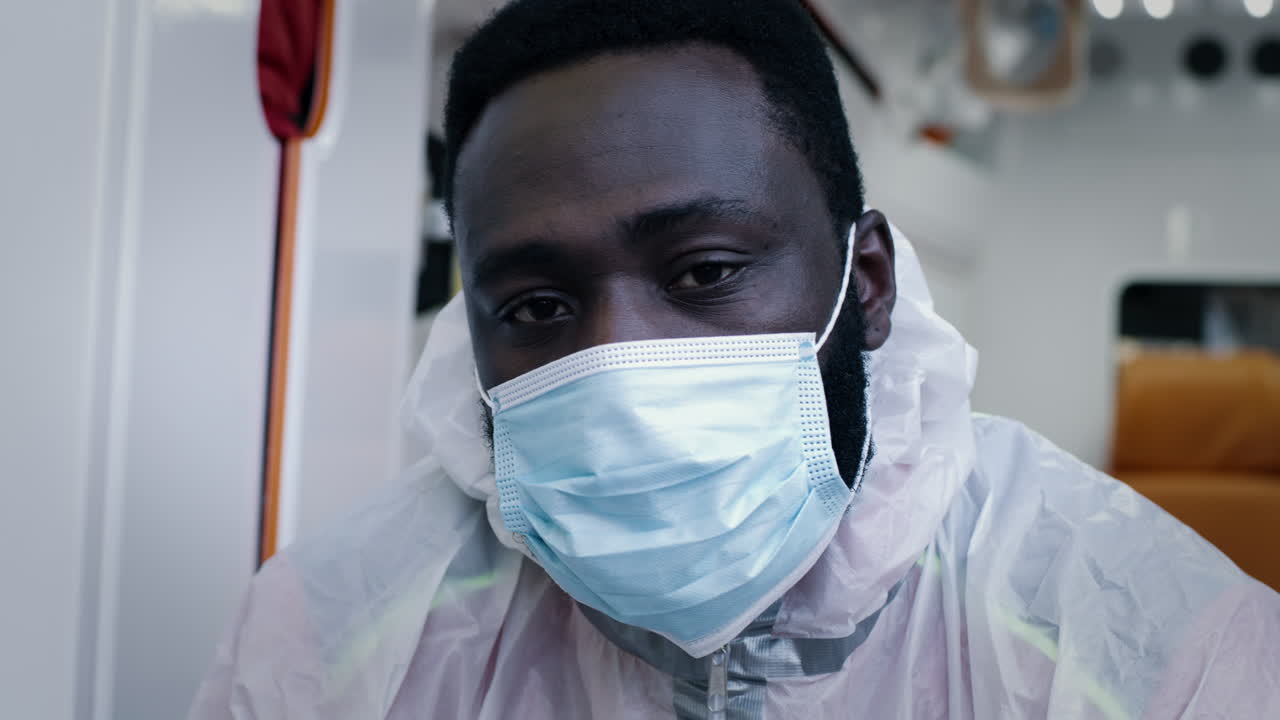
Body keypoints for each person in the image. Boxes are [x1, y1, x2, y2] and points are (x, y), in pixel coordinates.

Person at [189, 0, 1280, 717]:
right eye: (536, 303)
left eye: (705, 272)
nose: (618, 369)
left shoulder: (1138, 649)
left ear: (865, 285)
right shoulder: (328, 652)